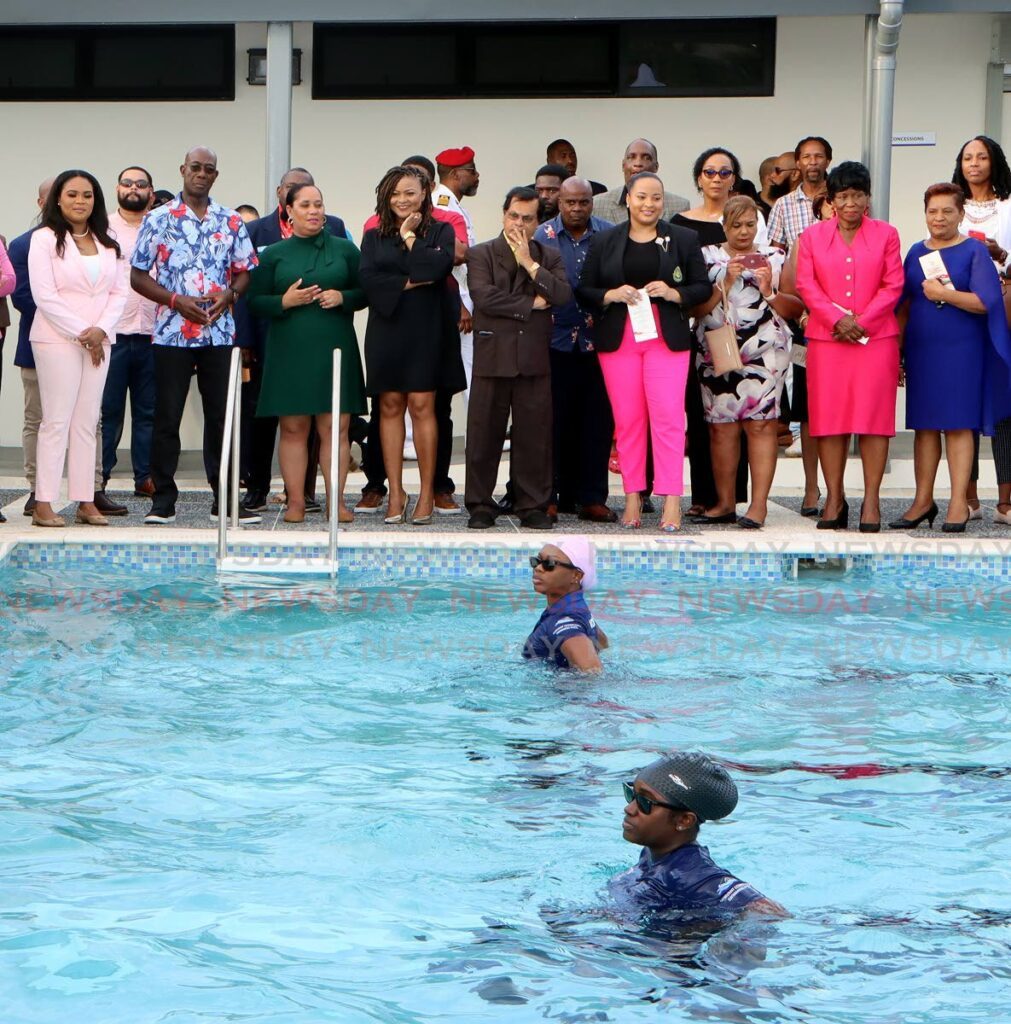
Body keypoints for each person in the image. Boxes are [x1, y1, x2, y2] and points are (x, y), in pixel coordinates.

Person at [130, 145, 259, 525]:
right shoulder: (158, 219)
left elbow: (245, 270)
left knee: (222, 417)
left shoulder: (230, 220)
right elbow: (137, 276)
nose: (201, 174)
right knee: (166, 416)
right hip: (172, 333)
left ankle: (225, 499)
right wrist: (174, 300)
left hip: (218, 333)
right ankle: (164, 501)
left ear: (215, 176)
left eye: (209, 169)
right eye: (195, 168)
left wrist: (230, 294)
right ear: (183, 170)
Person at [577, 172, 711, 533]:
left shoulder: (683, 238)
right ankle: (633, 494)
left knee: (667, 418)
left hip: (665, 337)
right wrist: (609, 295)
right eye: (641, 198)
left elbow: (702, 286)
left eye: (655, 198)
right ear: (628, 201)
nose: (649, 204)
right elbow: (585, 289)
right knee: (629, 421)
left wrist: (674, 294)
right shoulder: (605, 240)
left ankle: (671, 499)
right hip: (619, 338)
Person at [891, 183, 1011, 533]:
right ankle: (922, 500)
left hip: (963, 351)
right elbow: (905, 303)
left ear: (960, 214)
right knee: (925, 427)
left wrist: (946, 293)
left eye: (947, 211)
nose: (939, 217)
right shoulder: (914, 252)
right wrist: (896, 351)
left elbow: (985, 303)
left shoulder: (974, 251)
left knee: (959, 425)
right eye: (932, 211)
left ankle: (959, 501)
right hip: (923, 350)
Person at [245, 183, 367, 523]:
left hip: (334, 346)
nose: (313, 211)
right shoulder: (272, 255)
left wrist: (344, 298)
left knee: (336, 427)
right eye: (305, 205)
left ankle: (336, 502)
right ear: (289, 211)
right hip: (290, 349)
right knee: (294, 427)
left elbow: (365, 291)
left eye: (318, 204)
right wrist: (284, 302)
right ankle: (296, 501)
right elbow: (253, 301)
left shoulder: (345, 250)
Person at [356, 154, 468, 517]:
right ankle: (395, 493)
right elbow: (369, 282)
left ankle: (425, 494)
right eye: (394, 195)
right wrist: (409, 282)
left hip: (428, 328)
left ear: (425, 193)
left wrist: (408, 237)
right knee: (388, 406)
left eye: (409, 193)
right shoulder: (373, 235)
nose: (401, 200)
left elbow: (434, 268)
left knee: (423, 405)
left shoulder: (442, 231)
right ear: (385, 198)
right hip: (387, 327)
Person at [795, 161, 904, 532]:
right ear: (831, 200)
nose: (852, 203)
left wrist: (862, 322)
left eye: (858, 195)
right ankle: (834, 498)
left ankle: (871, 501)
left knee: (874, 422)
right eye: (844, 196)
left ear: (868, 198)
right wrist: (836, 320)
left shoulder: (887, 234)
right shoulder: (811, 237)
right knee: (829, 422)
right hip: (828, 341)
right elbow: (806, 285)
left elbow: (893, 285)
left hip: (876, 341)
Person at [10, 177, 123, 519]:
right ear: (57, 200)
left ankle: (85, 500)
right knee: (56, 421)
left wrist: (100, 329)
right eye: (72, 194)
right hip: (57, 339)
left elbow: (119, 293)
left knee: (87, 422)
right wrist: (83, 332)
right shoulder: (43, 240)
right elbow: (45, 296)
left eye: (87, 195)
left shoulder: (108, 240)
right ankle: (44, 503)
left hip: (100, 341)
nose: (80, 201)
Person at [464, 187, 572, 530]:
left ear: (537, 221)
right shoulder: (480, 254)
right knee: (483, 434)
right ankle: (480, 503)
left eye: (527, 218)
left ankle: (533, 504)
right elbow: (484, 298)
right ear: (503, 215)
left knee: (534, 435)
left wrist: (528, 262)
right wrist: (531, 304)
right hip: (492, 354)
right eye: (514, 216)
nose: (519, 224)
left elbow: (561, 295)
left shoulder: (548, 255)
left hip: (532, 356)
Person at [692, 196, 802, 529]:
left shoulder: (776, 256)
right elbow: (695, 309)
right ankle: (725, 502)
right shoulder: (706, 256)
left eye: (750, 225)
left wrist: (769, 289)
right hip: (717, 348)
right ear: (723, 225)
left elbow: (795, 308)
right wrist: (723, 281)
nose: (743, 232)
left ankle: (758, 506)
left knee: (761, 424)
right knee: (721, 429)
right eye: (736, 225)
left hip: (766, 350)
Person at [611, 752, 787, 920]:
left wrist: (731, 944)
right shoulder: (656, 854)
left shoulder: (691, 873)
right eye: (631, 794)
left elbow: (770, 913)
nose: (629, 809)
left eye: (645, 802)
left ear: (684, 820)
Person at [534, 177, 616, 523]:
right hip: (555, 340)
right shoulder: (543, 235)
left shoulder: (610, 234)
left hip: (600, 342)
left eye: (583, 202)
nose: (577, 208)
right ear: (559, 202)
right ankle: (549, 496)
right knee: (552, 423)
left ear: (592, 202)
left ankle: (592, 498)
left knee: (597, 424)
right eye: (570, 202)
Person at [769, 136, 833, 515]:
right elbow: (777, 258)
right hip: (801, 322)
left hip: (845, 326)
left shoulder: (848, 217)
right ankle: (812, 490)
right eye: (805, 156)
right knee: (807, 408)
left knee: (834, 411)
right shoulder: (783, 207)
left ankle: (835, 490)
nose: (812, 161)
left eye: (818, 155)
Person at [952, 135, 1011, 525]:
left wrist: (999, 254)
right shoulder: (950, 207)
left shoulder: (1009, 207)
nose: (974, 163)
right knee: (965, 401)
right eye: (967, 157)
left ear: (995, 162)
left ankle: (1006, 500)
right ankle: (967, 496)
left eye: (982, 157)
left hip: (1003, 307)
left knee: (1004, 400)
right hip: (958, 310)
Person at [102, 165, 157, 499]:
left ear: (150, 191)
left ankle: (145, 476)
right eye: (127, 183)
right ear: (117, 188)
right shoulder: (102, 229)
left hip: (153, 332)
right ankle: (99, 476)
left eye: (141, 184)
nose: (133, 188)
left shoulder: (161, 226)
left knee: (149, 410)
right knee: (108, 411)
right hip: (114, 332)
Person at [433, 146, 479, 404]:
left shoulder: (454, 205)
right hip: (455, 298)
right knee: (469, 368)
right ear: (454, 173)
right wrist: (460, 305)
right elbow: (448, 260)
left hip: (461, 296)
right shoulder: (443, 205)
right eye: (471, 171)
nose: (477, 176)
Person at [523, 537, 607, 671]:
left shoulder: (564, 622)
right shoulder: (574, 606)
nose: (538, 568)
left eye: (549, 564)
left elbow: (593, 672)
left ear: (576, 576)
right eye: (537, 561)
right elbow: (602, 642)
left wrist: (564, 688)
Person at [593, 138, 690, 226]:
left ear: (656, 167)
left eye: (646, 158)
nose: (638, 163)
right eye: (632, 157)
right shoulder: (598, 204)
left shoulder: (679, 206)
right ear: (623, 165)